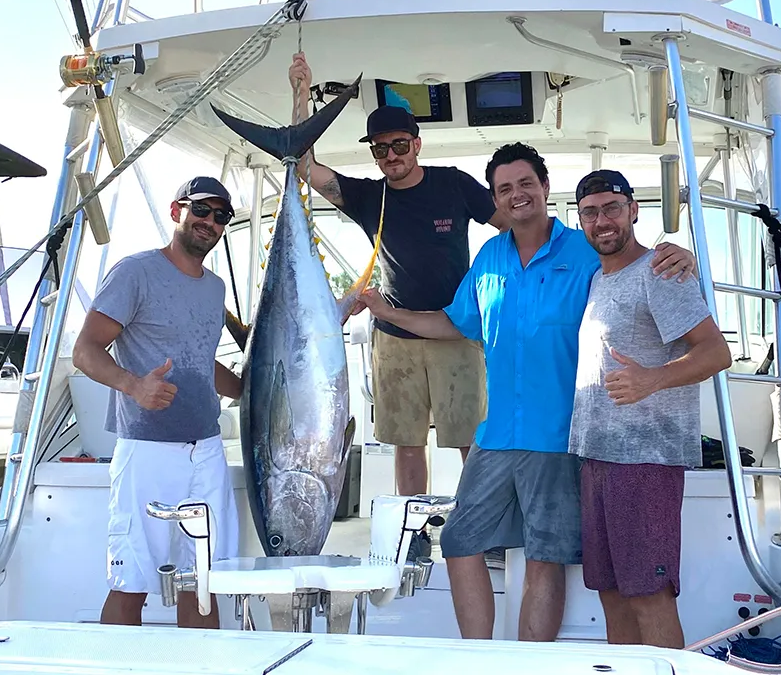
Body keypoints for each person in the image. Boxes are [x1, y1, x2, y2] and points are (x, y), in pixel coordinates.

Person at [356, 143, 697, 641]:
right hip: (495, 435)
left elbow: (636, 265)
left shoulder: (585, 249)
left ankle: (528, 664)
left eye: (525, 184)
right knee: (459, 540)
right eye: (504, 189)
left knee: (544, 557)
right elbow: (456, 323)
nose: (516, 195)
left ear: (544, 187)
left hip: (560, 437)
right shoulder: (489, 256)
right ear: (495, 199)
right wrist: (387, 312)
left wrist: (681, 254)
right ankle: (480, 660)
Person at [288, 52, 509, 559]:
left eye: (400, 145)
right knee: (407, 442)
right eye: (381, 148)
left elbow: (511, 230)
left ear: (417, 144)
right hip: (393, 339)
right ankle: (414, 536)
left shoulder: (454, 184)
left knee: (469, 441)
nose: (392, 155)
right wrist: (301, 93)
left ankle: (482, 529)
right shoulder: (369, 197)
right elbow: (304, 167)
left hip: (456, 333)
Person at [568, 169, 732, 648]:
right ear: (580, 221)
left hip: (645, 462)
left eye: (612, 208)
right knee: (612, 595)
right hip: (598, 457)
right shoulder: (598, 278)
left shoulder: (660, 272)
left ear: (634, 210)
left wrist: (652, 379)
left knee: (649, 597)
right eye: (590, 212)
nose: (602, 221)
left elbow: (716, 352)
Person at [72, 176, 243, 628]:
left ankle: (201, 662)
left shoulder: (215, 288)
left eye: (221, 215)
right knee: (130, 581)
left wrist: (252, 391)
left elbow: (201, 361)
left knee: (203, 582)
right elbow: (85, 350)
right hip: (146, 450)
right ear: (176, 211)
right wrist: (133, 386)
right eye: (201, 210)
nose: (210, 221)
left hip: (206, 450)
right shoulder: (135, 271)